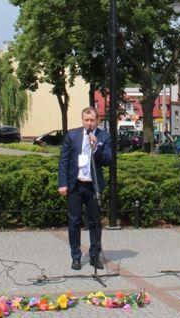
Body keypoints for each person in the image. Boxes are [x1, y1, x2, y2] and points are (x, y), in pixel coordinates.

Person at [57, 107, 113, 271]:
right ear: (82, 120)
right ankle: (76, 257)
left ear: (97, 120)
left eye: (92, 120)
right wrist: (62, 183)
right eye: (86, 120)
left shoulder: (104, 137)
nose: (89, 123)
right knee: (74, 222)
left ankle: (95, 256)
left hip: (93, 186)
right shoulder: (72, 135)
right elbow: (64, 161)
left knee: (95, 222)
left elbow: (107, 160)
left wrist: (96, 148)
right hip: (75, 185)